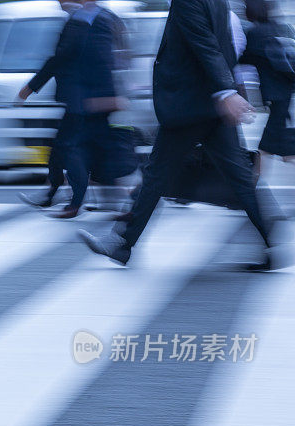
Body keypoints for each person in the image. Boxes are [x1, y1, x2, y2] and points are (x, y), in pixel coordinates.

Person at [78, 0, 283, 271]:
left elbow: (205, 44)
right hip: (210, 105)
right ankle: (272, 242)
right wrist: (226, 90)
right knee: (239, 178)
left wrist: (226, 91)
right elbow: (224, 43)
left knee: (156, 174)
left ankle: (122, 244)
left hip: (190, 103)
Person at [16, 0, 124, 219]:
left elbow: (62, 59)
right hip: (89, 98)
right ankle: (58, 194)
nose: (59, 1)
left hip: (86, 99)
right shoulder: (100, 17)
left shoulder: (87, 19)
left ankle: (74, 203)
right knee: (78, 148)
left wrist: (29, 88)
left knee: (70, 149)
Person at [239, 0, 295, 165]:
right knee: (274, 141)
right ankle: (253, 186)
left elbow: (245, 58)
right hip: (286, 88)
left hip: (273, 92)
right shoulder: (283, 27)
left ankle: (251, 187)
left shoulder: (255, 33)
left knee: (270, 142)